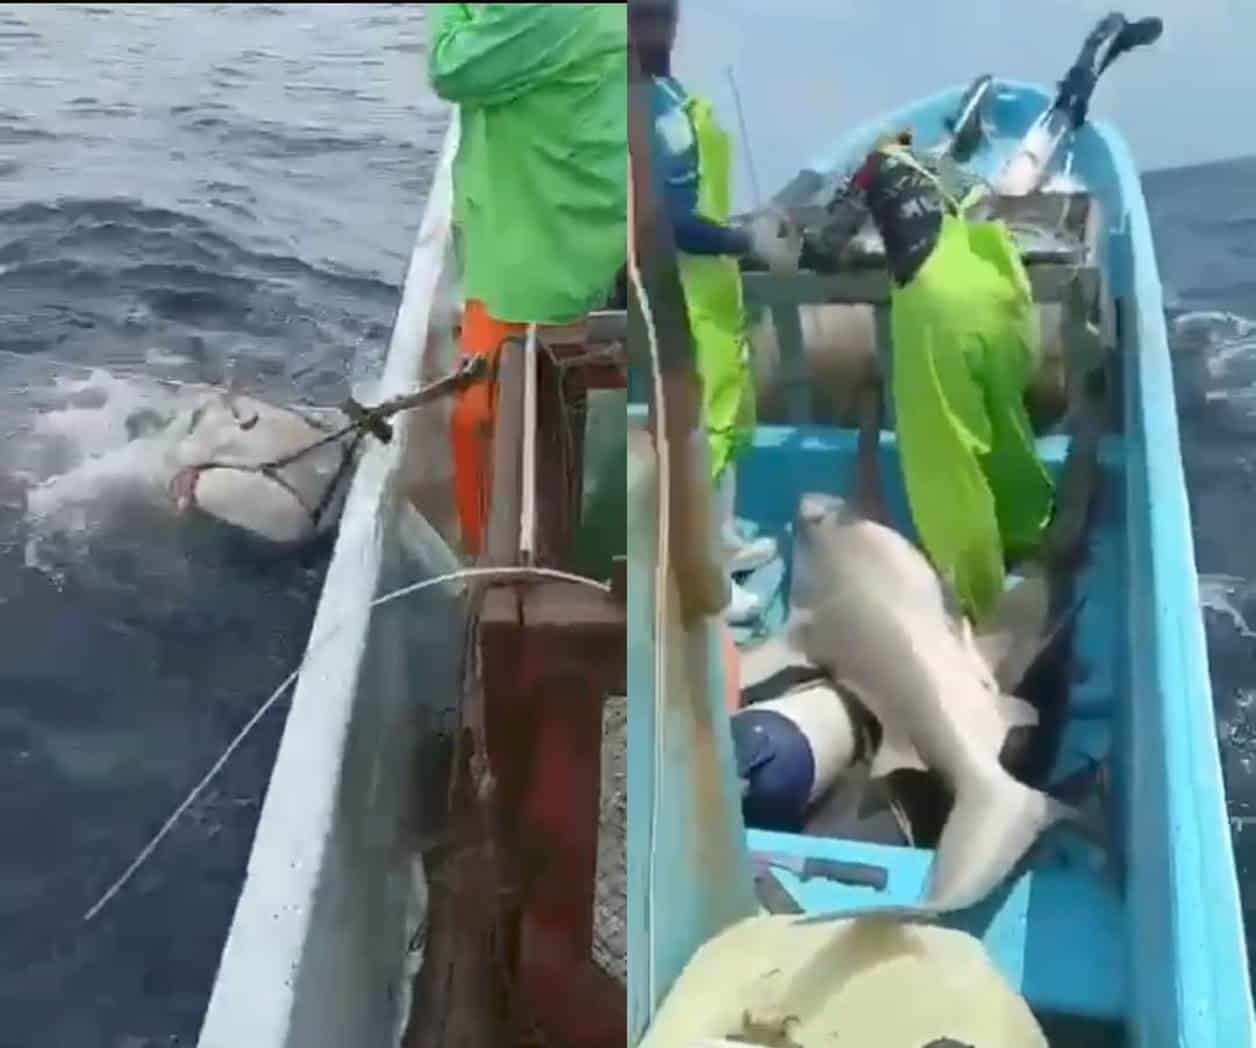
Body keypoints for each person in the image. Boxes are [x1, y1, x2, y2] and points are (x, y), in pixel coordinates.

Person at [828, 136, 1055, 623]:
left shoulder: (869, 171)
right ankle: (1029, 538)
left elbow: (828, 243)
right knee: (1004, 426)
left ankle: (976, 600)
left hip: (938, 307)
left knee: (946, 461)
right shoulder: (945, 169)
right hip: (1001, 294)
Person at [428, 4, 627, 558]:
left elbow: (453, 66)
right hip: (558, 229)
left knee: (483, 422)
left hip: (539, 248)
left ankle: (489, 568)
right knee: (539, 409)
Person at [631, 0, 801, 625]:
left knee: (727, 429)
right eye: (647, 17)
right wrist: (742, 240)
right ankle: (706, 588)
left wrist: (739, 234)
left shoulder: (674, 95)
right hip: (682, 301)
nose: (661, 28)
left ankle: (721, 539)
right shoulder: (642, 107)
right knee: (696, 445)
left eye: (664, 16)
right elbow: (668, 221)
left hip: (716, 294)